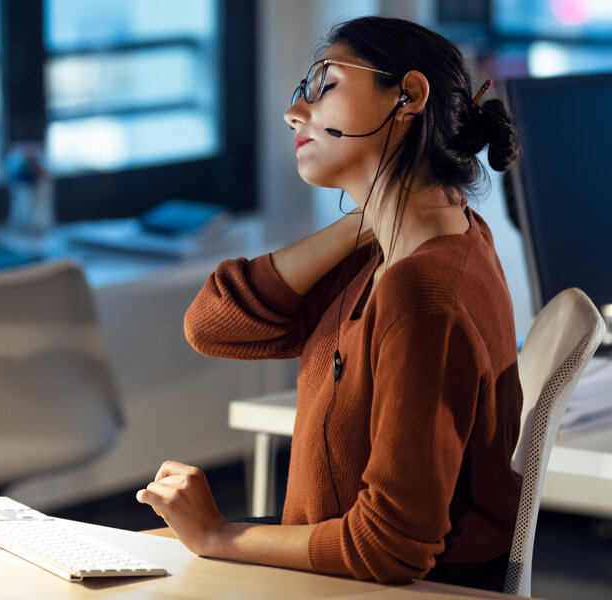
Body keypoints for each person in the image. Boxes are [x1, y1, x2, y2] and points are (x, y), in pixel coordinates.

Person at [135, 16, 523, 592]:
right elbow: (215, 325)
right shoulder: (407, 247)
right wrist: (368, 219)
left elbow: (390, 548)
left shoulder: (424, 292)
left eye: (326, 85)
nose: (295, 113)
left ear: (409, 95)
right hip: (338, 569)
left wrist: (218, 535)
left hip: (379, 586)